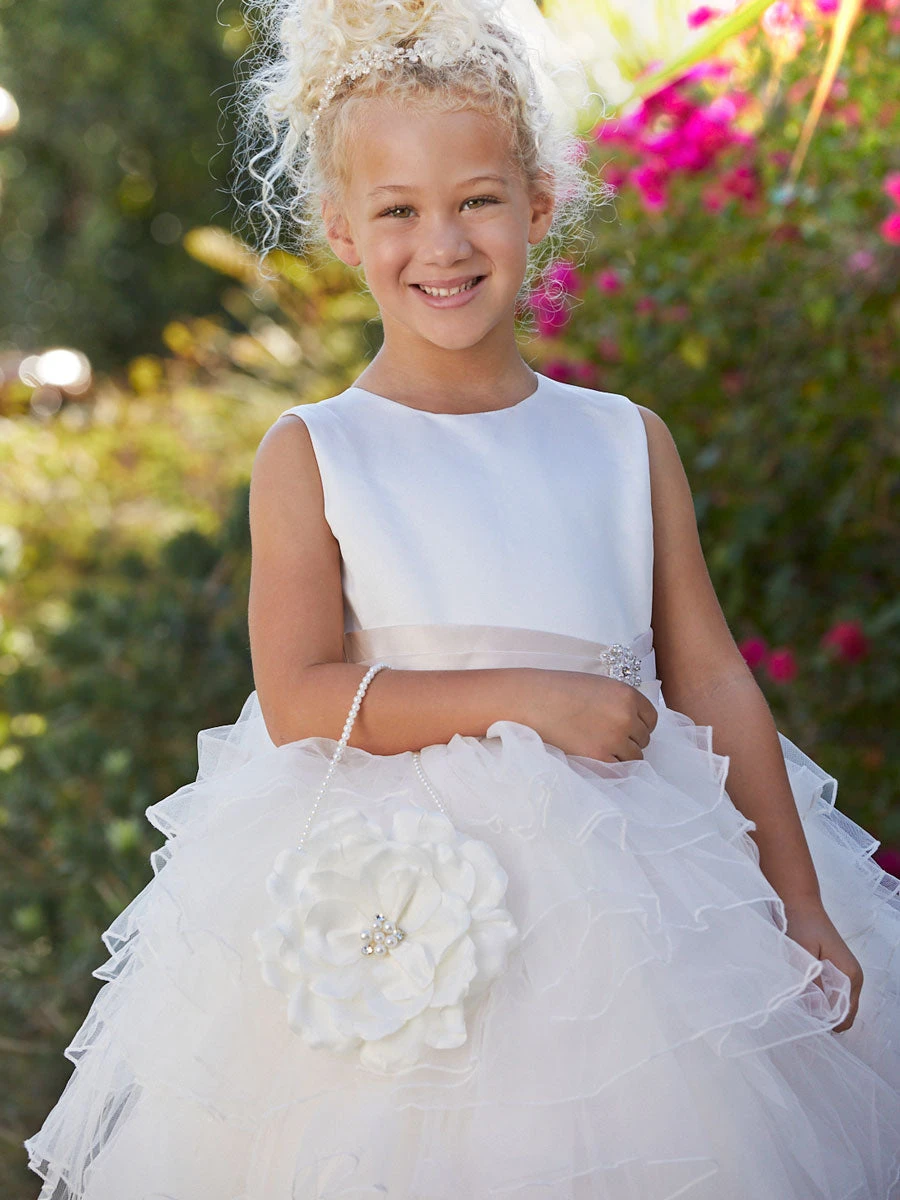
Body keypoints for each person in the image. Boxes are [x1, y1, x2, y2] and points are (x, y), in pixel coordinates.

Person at [24, 0, 900, 1196]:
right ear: (340, 229)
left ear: (540, 202)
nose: (443, 244)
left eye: (477, 199)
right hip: (393, 908)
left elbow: (710, 677)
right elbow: (299, 696)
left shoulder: (621, 442)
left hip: (641, 922)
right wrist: (536, 700)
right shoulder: (317, 450)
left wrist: (798, 902)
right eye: (399, 211)